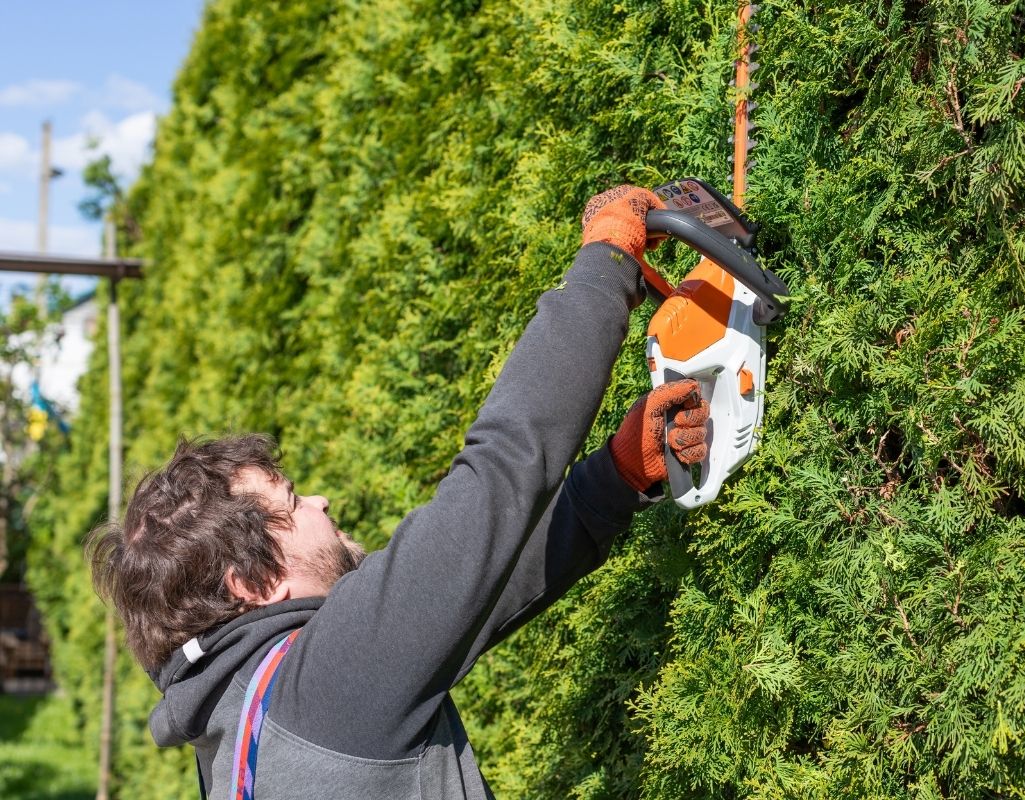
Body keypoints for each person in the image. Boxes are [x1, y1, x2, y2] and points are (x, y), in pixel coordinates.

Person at [87, 186, 711, 799]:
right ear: (251, 586)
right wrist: (607, 262)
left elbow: (474, 593)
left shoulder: (244, 728)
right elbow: (500, 473)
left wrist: (617, 476)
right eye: (292, 502)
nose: (320, 504)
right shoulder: (326, 688)